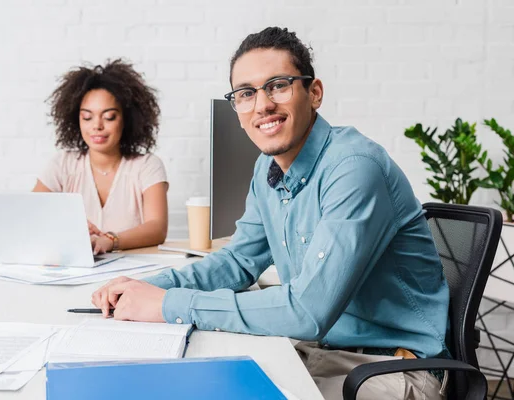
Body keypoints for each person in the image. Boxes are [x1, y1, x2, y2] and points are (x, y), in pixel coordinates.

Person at [91, 28, 449, 399]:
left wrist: (170, 305)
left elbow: (308, 311)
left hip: (391, 368)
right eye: (246, 94)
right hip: (319, 351)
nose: (261, 105)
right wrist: (150, 288)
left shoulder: (354, 167)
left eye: (278, 85)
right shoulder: (268, 170)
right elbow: (238, 262)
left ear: (314, 93)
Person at [33, 59, 168, 252]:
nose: (97, 126)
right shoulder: (63, 164)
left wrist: (111, 240)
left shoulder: (147, 165)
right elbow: (31, 213)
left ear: (127, 119)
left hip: (132, 273)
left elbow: (157, 228)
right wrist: (67, 222)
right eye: (87, 117)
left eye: (109, 117)